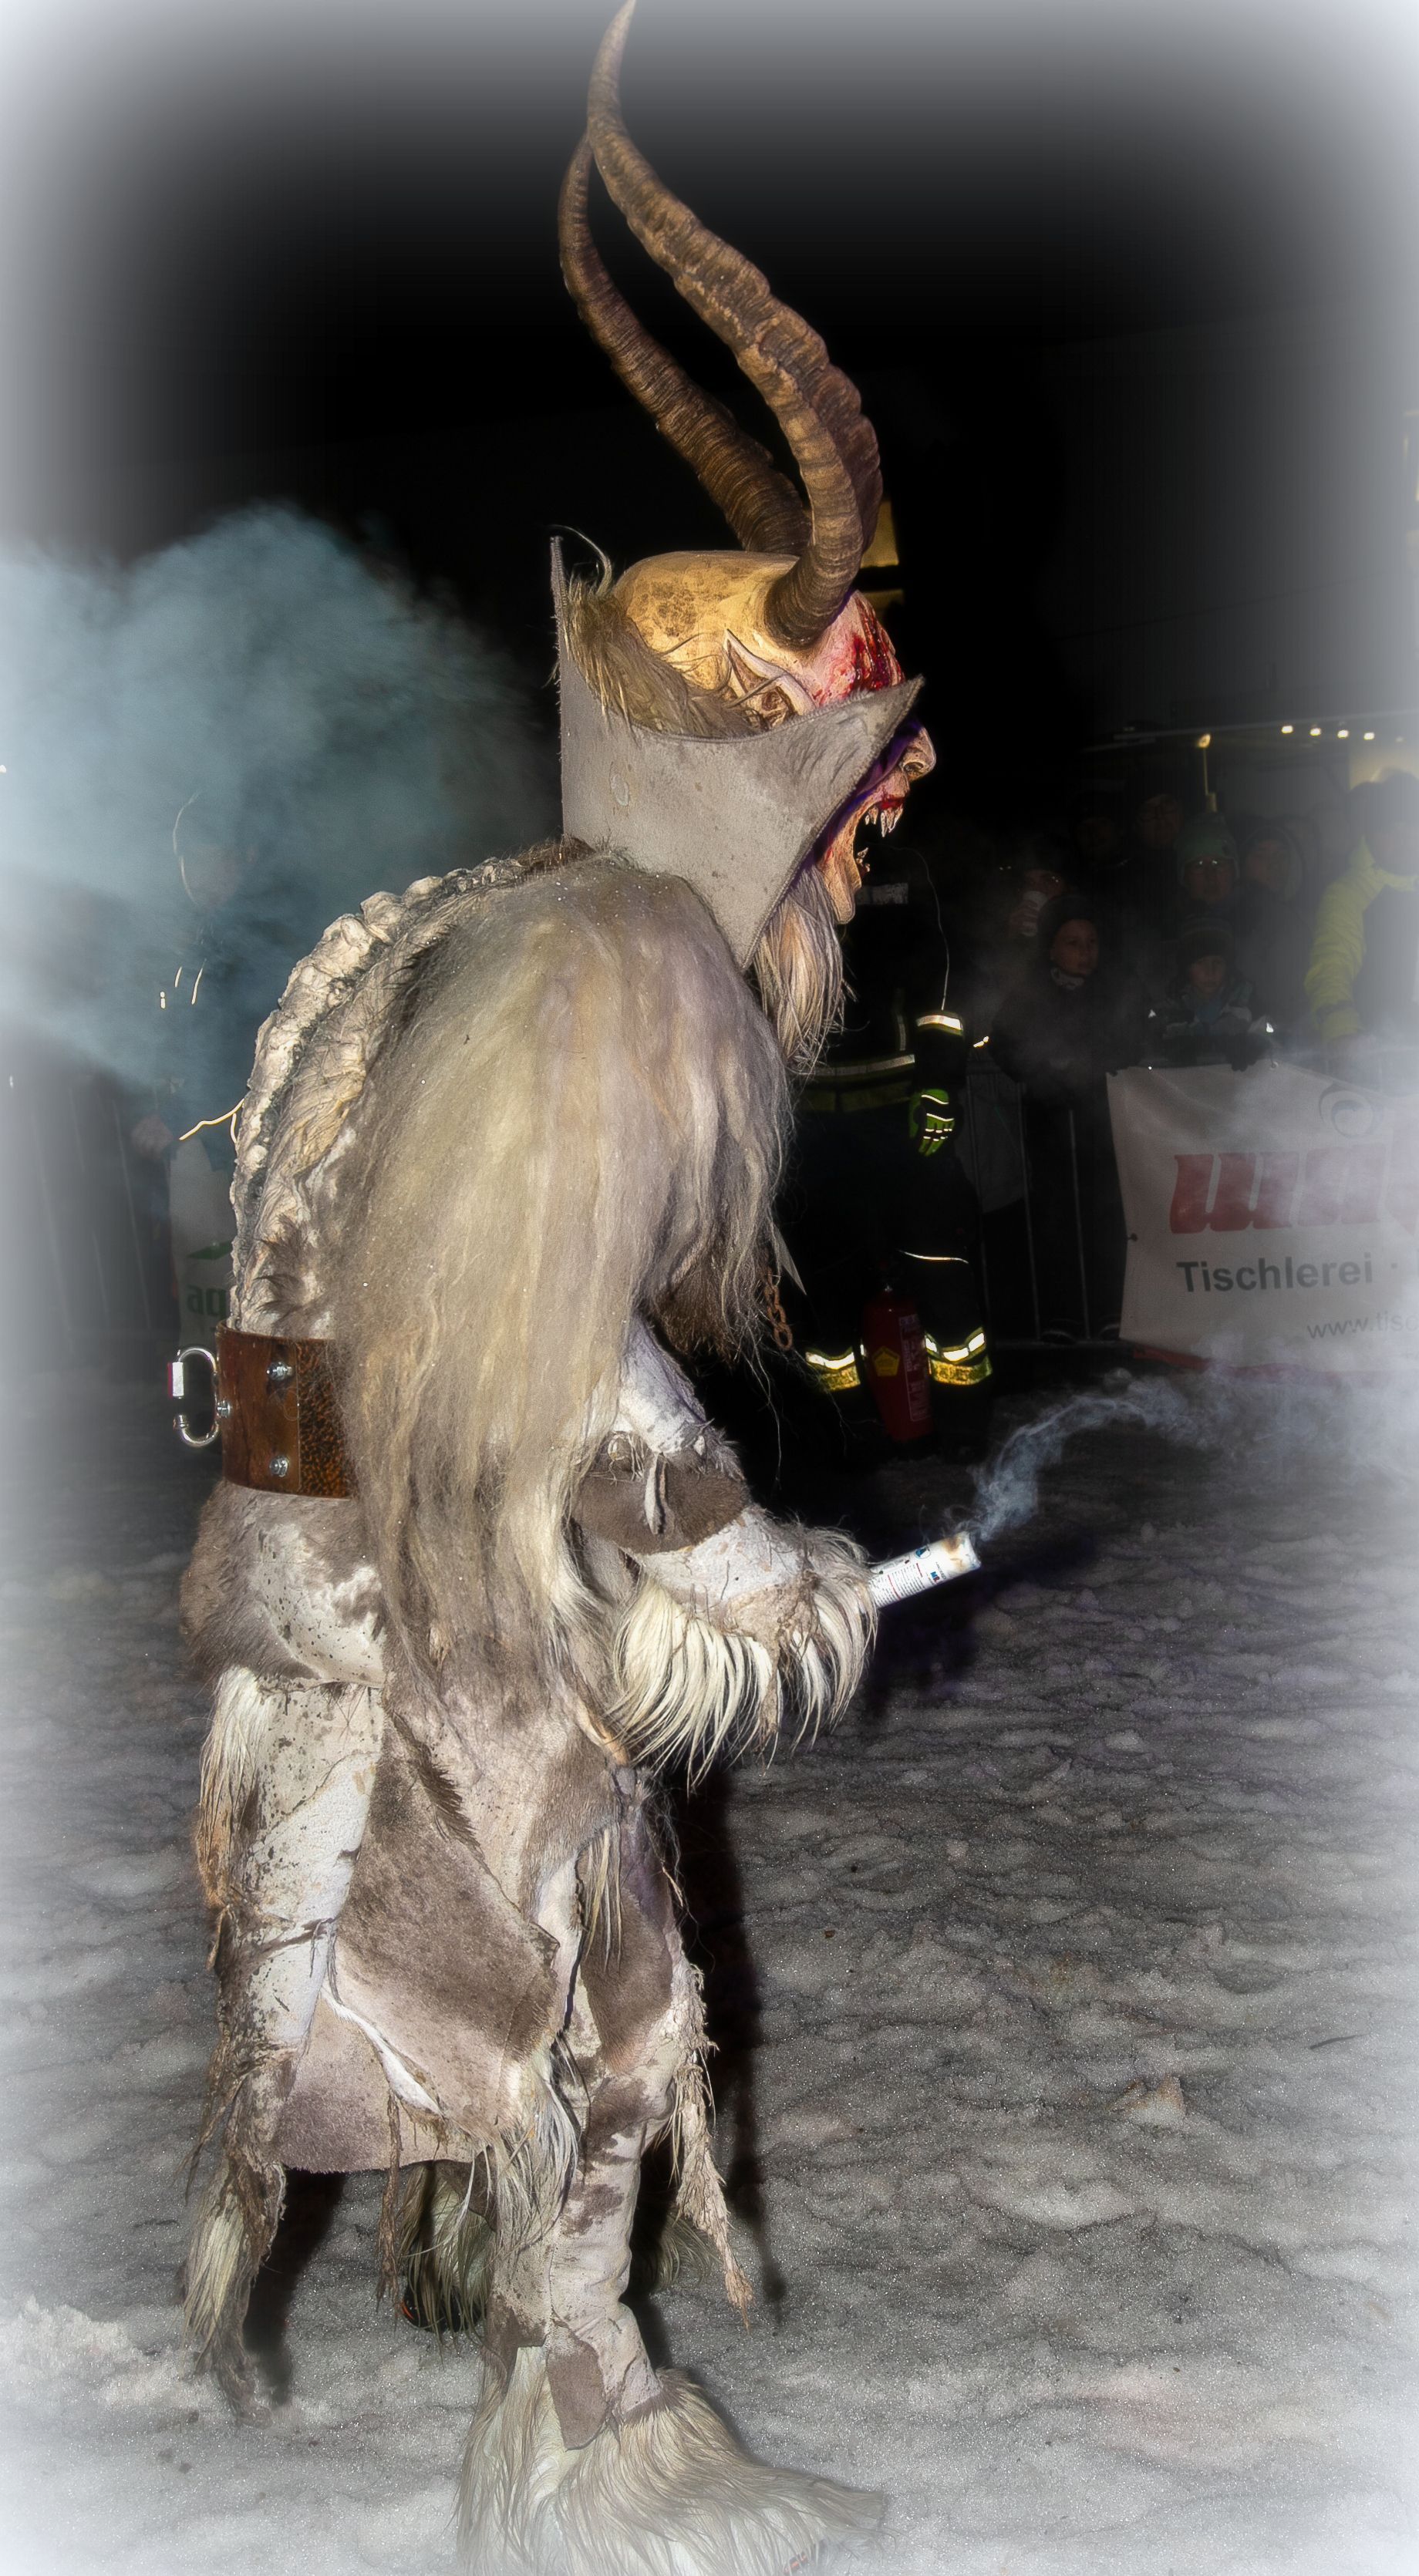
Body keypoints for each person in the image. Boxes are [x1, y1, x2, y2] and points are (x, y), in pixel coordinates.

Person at [180, 15, 934, 2572]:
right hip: (426, 1574)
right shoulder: (627, 967)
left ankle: (477, 2286)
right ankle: (596, 2450)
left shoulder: (515, 914)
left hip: (339, 1553)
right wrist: (746, 1559)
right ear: (748, 743)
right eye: (852, 748)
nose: (880, 799)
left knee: (476, 1957)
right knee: (612, 2012)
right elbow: (539, 1350)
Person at [784, 830, 993, 1459]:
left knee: (939, 1272)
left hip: (901, 1115)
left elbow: (949, 977)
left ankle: (962, 1428)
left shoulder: (906, 862)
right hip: (811, 1124)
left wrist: (939, 1082)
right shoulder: (776, 860)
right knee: (824, 1294)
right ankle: (850, 1433)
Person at [989, 890, 1149, 1335]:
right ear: (1052, 948)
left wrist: (1094, 1067)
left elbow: (1133, 1041)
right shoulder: (1030, 993)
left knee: (1105, 1216)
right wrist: (1043, 1074)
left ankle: (1110, 1311)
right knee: (1055, 1219)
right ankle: (1062, 1314)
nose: (1085, 952)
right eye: (1073, 943)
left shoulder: (1115, 991)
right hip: (1050, 1125)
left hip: (1102, 1125)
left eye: (1091, 942)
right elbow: (1004, 1043)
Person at [1305, 770, 1419, 1057]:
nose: (1402, 839)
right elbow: (1332, 967)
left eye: (1410, 827)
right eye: (1389, 829)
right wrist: (1341, 1031)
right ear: (1370, 832)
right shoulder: (1348, 894)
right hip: (1381, 1055)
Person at [1155, 918, 1266, 1068]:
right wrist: (1168, 1047)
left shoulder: (1248, 1002)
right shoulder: (1170, 1007)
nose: (1210, 972)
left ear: (1228, 966)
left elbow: (1272, 1040)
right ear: (1187, 968)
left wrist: (1254, 1044)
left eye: (1217, 962)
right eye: (1200, 962)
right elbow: (1150, 1042)